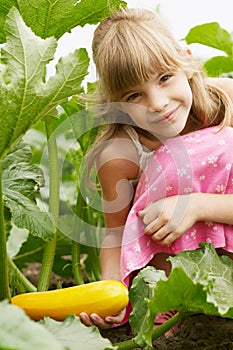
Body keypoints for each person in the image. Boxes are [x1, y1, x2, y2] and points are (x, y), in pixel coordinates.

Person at [79, 7, 233, 330]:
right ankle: (176, 317)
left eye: (165, 78)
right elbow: (115, 236)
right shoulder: (120, 155)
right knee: (170, 168)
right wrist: (113, 294)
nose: (159, 103)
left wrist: (196, 205)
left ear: (186, 61)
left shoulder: (225, 101)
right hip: (172, 286)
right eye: (135, 95)